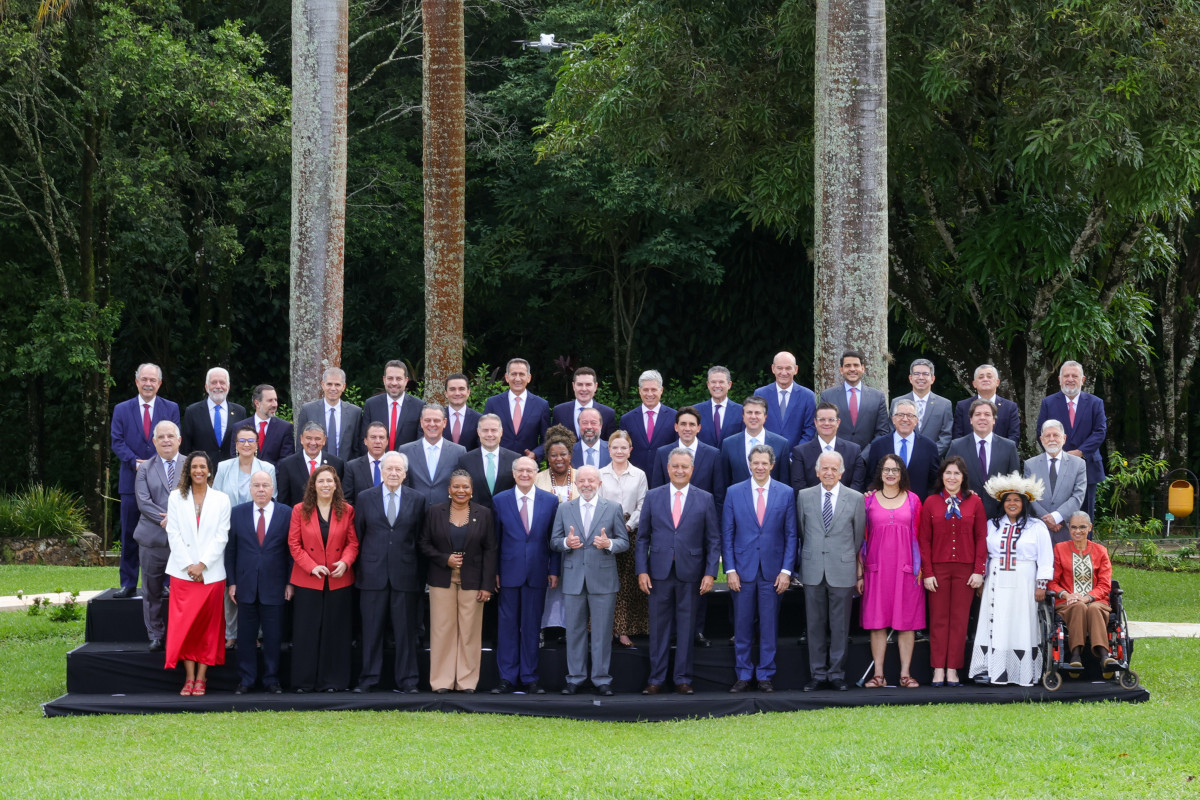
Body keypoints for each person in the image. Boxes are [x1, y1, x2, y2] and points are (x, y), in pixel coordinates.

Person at [636, 448, 720, 695]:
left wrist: (710, 573)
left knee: (686, 627)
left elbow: (713, 540)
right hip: (658, 573)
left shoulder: (704, 498)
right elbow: (642, 538)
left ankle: (683, 678)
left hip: (692, 574)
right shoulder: (653, 496)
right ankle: (656, 679)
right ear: (668, 468)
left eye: (685, 467)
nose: (680, 470)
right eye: (675, 466)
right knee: (659, 628)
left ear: (692, 470)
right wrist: (642, 570)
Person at [722, 445, 797, 693]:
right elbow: (728, 534)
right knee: (742, 627)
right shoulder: (734, 492)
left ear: (772, 465)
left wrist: (786, 571)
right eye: (756, 462)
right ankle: (743, 674)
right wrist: (730, 569)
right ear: (749, 464)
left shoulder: (786, 493)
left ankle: (765, 674)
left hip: (773, 573)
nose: (760, 467)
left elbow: (791, 535)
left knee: (768, 626)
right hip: (742, 572)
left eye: (764, 463)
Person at [968, 472, 1054, 686]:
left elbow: (1045, 558)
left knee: (1021, 623)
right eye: (1008, 500)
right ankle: (990, 669)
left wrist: (1041, 584)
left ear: (1024, 503)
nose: (1012, 503)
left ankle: (1022, 672)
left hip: (1025, 582)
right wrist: (983, 576)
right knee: (996, 622)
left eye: (1017, 500)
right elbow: (985, 554)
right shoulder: (992, 525)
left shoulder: (1036, 527)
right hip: (996, 582)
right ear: (1002, 503)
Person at [551, 465, 630, 695]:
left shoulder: (613, 508)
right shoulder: (565, 508)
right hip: (574, 578)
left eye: (591, 481)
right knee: (574, 631)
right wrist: (567, 543)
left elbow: (623, 542)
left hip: (603, 579)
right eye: (582, 481)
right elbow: (554, 541)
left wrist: (610, 545)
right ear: (576, 483)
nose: (586, 484)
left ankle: (601, 679)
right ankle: (574, 678)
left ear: (599, 484)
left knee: (602, 632)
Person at [352, 451, 426, 693]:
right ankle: (368, 679)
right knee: (371, 631)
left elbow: (419, 538)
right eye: (389, 469)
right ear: (381, 472)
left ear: (405, 474)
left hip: (405, 575)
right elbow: (359, 535)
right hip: (372, 575)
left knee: (405, 632)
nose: (393, 473)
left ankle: (408, 681)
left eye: (398, 470)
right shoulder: (365, 498)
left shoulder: (417, 499)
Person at [420, 470, 497, 693]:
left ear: (472, 491)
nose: (460, 491)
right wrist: (445, 559)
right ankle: (442, 682)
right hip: (441, 579)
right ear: (449, 490)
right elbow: (423, 543)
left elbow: (491, 550)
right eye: (456, 486)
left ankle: (466, 682)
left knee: (470, 633)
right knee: (442, 631)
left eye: (465, 487)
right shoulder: (435, 512)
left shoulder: (484, 514)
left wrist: (487, 585)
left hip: (473, 582)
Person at [796, 451, 865, 691]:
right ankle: (818, 674)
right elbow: (802, 531)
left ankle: (836, 674)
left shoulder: (855, 498)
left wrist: (848, 560)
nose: (829, 473)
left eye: (834, 469)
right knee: (814, 625)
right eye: (824, 468)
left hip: (842, 568)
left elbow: (857, 537)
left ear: (842, 472)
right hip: (813, 567)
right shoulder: (804, 496)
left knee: (840, 626)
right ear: (816, 471)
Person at [164, 451, 231, 697]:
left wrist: (202, 564)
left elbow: (222, 535)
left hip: (211, 574)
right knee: (186, 628)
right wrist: (189, 566)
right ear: (188, 471)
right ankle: (189, 678)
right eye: (194, 467)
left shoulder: (222, 499)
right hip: (183, 574)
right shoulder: (175, 498)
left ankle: (202, 678)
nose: (199, 470)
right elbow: (173, 533)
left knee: (208, 629)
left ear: (209, 470)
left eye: (203, 466)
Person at [111, 363, 180, 598]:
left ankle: (165, 582)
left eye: (153, 380)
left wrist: (154, 465)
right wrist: (136, 463)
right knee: (130, 533)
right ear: (137, 382)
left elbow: (172, 440)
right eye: (144, 379)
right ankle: (128, 583)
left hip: (164, 483)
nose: (148, 383)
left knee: (165, 532)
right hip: (130, 481)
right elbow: (117, 441)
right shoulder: (121, 409)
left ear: (159, 383)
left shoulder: (171, 408)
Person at [491, 457, 560, 694]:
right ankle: (507, 677)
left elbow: (553, 539)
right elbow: (494, 542)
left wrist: (553, 570)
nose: (525, 474)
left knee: (531, 627)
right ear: (513, 473)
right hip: (508, 573)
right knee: (507, 626)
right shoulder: (500, 500)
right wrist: (495, 572)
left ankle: (530, 676)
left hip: (538, 573)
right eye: (520, 470)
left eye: (529, 470)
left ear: (536, 473)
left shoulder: (550, 501)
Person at [287, 465, 358, 692]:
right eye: (321, 481)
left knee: (335, 632)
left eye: (330, 481)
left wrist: (345, 562)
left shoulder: (347, 510)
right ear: (313, 485)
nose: (326, 485)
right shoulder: (299, 510)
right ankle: (303, 682)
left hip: (338, 579)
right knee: (306, 632)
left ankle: (333, 682)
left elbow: (352, 543)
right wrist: (311, 566)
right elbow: (294, 544)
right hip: (309, 579)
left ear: (336, 485)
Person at [917, 456, 987, 688]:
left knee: (959, 621)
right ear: (942, 476)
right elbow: (924, 541)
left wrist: (978, 570)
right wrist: (928, 572)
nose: (952, 477)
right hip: (938, 570)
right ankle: (938, 668)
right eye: (948, 473)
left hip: (965, 571)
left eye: (957, 473)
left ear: (963, 477)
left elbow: (981, 538)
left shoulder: (974, 502)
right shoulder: (931, 503)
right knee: (938, 620)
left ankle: (953, 669)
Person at [859, 454, 926, 688]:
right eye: (886, 469)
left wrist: (921, 568)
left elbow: (922, 537)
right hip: (876, 570)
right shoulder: (867, 501)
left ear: (901, 474)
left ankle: (905, 674)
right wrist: (860, 573)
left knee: (906, 622)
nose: (890, 474)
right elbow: (861, 539)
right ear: (880, 473)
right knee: (877, 622)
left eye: (895, 470)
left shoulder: (914, 500)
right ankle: (878, 675)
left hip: (907, 571)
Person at [225, 471, 292, 695]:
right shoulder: (237, 513)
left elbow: (290, 552)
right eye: (256, 485)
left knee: (273, 637)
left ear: (273, 489)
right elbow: (231, 550)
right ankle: (246, 679)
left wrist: (290, 583)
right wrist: (232, 582)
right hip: (245, 586)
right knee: (245, 637)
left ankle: (272, 679)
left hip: (275, 585)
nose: (261, 489)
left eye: (265, 485)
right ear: (250, 489)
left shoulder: (286, 513)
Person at [212, 428, 278, 648]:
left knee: (257, 584)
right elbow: (217, 499)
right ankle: (232, 633)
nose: (247, 444)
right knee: (232, 582)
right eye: (242, 440)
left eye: (251, 440)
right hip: (229, 532)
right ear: (236, 444)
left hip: (257, 533)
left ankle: (256, 634)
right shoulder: (223, 467)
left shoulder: (267, 468)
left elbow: (272, 498)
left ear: (257, 444)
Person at [133, 420, 186, 651]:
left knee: (183, 590)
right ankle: (155, 633)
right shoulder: (144, 468)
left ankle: (181, 633)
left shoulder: (192, 465)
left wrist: (176, 519)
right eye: (161, 437)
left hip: (184, 540)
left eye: (170, 436)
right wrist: (167, 519)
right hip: (152, 539)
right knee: (152, 590)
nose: (166, 440)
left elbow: (199, 498)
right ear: (154, 441)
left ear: (179, 440)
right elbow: (143, 502)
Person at [1036, 361, 1107, 519]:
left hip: (1088, 466)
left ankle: (1085, 544)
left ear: (1082, 380)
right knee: (1057, 514)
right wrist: (1060, 454)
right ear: (1059, 379)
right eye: (1066, 376)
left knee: (1085, 515)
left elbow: (1100, 431)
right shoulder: (1048, 403)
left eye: (1075, 376)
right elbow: (1041, 432)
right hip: (1056, 467)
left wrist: (1080, 452)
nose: (1070, 379)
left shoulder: (1096, 403)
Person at [599, 430, 649, 650]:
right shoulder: (599, 474)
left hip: (631, 534)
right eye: (615, 447)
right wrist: (608, 531)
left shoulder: (639, 475)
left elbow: (642, 505)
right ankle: (604, 629)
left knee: (627, 584)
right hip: (604, 537)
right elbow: (597, 504)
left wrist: (628, 526)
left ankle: (624, 630)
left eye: (623, 447)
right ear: (608, 450)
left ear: (631, 450)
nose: (619, 451)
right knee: (606, 583)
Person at [1048, 512, 1117, 669]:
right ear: (1069, 528)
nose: (1077, 531)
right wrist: (1067, 595)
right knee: (1078, 606)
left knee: (1092, 608)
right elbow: (1052, 582)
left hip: (1097, 601)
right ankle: (1075, 655)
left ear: (1090, 528)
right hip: (1067, 603)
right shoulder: (1059, 549)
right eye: (1073, 527)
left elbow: (1105, 585)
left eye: (1082, 527)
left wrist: (1086, 598)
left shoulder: (1101, 551)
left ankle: (1104, 655)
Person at [535, 425, 579, 638]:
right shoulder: (538, 479)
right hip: (545, 542)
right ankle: (544, 626)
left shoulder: (582, 477)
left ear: (570, 455)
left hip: (575, 544)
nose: (558, 459)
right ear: (547, 457)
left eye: (563, 454)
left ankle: (569, 627)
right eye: (553, 455)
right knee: (549, 586)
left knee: (570, 588)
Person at [947, 399, 1021, 517]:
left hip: (1000, 515)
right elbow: (947, 479)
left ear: (994, 420)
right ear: (971, 420)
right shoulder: (957, 446)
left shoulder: (1009, 447)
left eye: (987, 414)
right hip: (965, 514)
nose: (982, 418)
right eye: (977, 414)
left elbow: (1015, 482)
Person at [1024, 419, 1087, 544]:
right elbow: (1029, 496)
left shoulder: (1079, 464)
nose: (1051, 439)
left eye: (1056, 435)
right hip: (1039, 528)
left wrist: (1057, 517)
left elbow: (1078, 496)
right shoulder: (1030, 464)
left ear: (1064, 438)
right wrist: (1047, 520)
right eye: (1047, 436)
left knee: (1065, 564)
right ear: (1041, 440)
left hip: (1066, 528)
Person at [650, 406, 726, 508]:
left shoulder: (713, 454)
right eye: (683, 424)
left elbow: (719, 496)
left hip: (702, 518)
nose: (687, 428)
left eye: (692, 424)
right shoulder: (662, 453)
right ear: (676, 427)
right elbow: (657, 492)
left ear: (698, 428)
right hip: (669, 517)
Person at [863, 398, 940, 500]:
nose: (905, 419)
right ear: (893, 419)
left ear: (916, 420)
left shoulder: (929, 446)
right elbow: (871, 478)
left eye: (910, 415)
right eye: (900, 415)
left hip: (919, 507)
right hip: (886, 506)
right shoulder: (878, 445)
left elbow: (934, 481)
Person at [818, 350, 890, 450]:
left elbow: (882, 432)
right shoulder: (828, 396)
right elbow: (822, 428)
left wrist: (865, 456)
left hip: (868, 460)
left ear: (863, 368)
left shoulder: (878, 397)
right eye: (848, 366)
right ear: (841, 369)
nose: (852, 369)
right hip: (837, 458)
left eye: (856, 365)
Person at [398, 403, 468, 505]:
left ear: (444, 422)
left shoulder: (459, 451)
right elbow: (403, 485)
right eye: (427, 420)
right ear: (421, 422)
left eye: (436, 420)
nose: (432, 424)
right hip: (414, 511)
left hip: (446, 513)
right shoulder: (405, 450)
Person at [791, 402, 867, 493]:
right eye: (822, 420)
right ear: (815, 422)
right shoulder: (800, 452)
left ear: (838, 422)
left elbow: (857, 485)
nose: (826, 423)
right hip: (811, 505)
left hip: (846, 505)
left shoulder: (854, 451)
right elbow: (799, 487)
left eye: (831, 420)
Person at [483, 358, 551, 458]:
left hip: (527, 466)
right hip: (498, 463)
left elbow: (547, 439)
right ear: (507, 377)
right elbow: (483, 433)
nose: (517, 379)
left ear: (529, 377)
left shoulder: (541, 405)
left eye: (522, 374)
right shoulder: (493, 403)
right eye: (513, 374)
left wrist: (535, 454)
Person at [293, 367, 363, 461]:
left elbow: (356, 447)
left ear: (344, 386)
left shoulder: (354, 412)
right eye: (329, 384)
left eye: (337, 385)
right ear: (323, 385)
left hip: (345, 470)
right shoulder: (308, 410)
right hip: (315, 469)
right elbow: (300, 445)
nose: (333, 388)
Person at [181, 367, 247, 465]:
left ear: (228, 387)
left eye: (222, 382)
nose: (218, 386)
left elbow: (244, 442)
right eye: (213, 382)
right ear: (206, 387)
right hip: (202, 472)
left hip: (231, 471)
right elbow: (185, 447)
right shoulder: (192, 411)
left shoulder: (240, 412)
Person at [754, 351, 816, 453]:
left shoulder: (808, 396)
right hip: (766, 458)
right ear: (773, 369)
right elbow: (756, 426)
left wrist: (796, 455)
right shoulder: (760, 394)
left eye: (788, 368)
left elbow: (810, 430)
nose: (783, 372)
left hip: (796, 458)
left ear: (795, 370)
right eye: (779, 368)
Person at [721, 395, 790, 486]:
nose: (753, 417)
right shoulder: (729, 444)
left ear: (765, 416)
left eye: (757, 413)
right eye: (749, 412)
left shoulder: (781, 444)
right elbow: (725, 480)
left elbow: (784, 482)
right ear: (743, 416)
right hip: (739, 498)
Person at [620, 369, 678, 474]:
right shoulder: (627, 419)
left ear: (661, 390)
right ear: (639, 390)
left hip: (665, 476)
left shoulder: (675, 417)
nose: (649, 394)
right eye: (646, 390)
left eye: (653, 389)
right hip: (635, 478)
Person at [456, 413, 519, 509]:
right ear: (478, 432)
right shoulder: (465, 460)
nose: (489, 434)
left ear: (501, 432)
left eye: (494, 430)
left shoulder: (515, 459)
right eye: (485, 430)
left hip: (506, 516)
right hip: (475, 517)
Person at [275, 422, 345, 507]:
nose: (313, 443)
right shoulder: (287, 465)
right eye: (308, 438)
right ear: (301, 439)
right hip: (298, 517)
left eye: (317, 439)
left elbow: (339, 496)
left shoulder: (336, 463)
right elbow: (283, 501)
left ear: (324, 440)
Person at [895, 359, 953, 458]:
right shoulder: (897, 402)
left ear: (932, 379)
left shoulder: (944, 404)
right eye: (917, 373)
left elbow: (946, 437)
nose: (921, 377)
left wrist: (928, 455)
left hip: (932, 462)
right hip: (902, 459)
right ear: (910, 378)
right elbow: (893, 431)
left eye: (925, 374)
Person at [360, 360, 424, 450]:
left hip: (406, 462)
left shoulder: (419, 406)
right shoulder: (371, 405)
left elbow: (420, 441)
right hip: (378, 462)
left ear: (406, 381)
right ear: (384, 380)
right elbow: (364, 440)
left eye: (398, 379)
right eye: (390, 378)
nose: (394, 383)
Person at [952, 364, 1021, 443]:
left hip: (1001, 454)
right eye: (981, 377)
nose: (985, 379)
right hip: (968, 454)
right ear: (974, 384)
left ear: (997, 382)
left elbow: (1014, 436)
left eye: (989, 376)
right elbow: (957, 436)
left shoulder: (1010, 407)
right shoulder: (962, 406)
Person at [228, 384, 294, 464]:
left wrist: (268, 475)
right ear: (257, 403)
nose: (275, 404)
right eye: (270, 400)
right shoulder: (239, 427)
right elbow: (235, 457)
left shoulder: (285, 428)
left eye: (275, 400)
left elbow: (286, 461)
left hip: (274, 475)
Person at [552, 366, 617, 440]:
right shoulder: (559, 411)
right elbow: (554, 442)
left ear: (595, 386)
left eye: (588, 384)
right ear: (573, 386)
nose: (584, 389)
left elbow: (610, 445)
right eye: (580, 384)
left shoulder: (608, 414)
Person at [694, 365, 744, 449]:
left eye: (721, 382)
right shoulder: (695, 411)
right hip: (705, 460)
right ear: (708, 385)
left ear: (729, 385)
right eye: (713, 382)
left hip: (731, 461)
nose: (717, 385)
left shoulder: (741, 411)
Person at [342, 421, 390, 504]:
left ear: (387, 441)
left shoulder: (396, 466)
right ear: (365, 441)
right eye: (373, 437)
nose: (377, 441)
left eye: (381, 437)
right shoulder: (352, 467)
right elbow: (347, 500)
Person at [444, 373, 481, 449]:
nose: (457, 393)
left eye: (461, 389)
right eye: (452, 389)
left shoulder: (479, 419)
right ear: (446, 393)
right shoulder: (437, 418)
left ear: (468, 392)